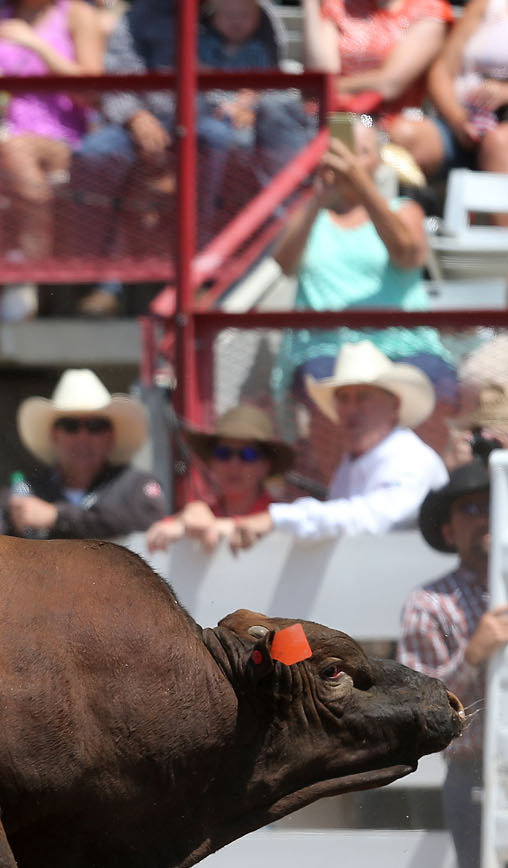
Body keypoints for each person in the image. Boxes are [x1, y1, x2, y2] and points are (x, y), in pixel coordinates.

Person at [69, 0, 309, 316]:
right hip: (141, 122)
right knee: (96, 155)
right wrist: (136, 117)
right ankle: (97, 278)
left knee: (222, 142)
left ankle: (204, 268)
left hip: (206, 122)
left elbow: (265, 77)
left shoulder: (246, 11)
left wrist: (245, 104)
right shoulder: (138, 16)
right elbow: (116, 75)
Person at [400, 458, 508, 868]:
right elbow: (425, 713)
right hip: (474, 776)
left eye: (490, 505)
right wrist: (474, 654)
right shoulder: (431, 603)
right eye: (470, 509)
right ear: (449, 525)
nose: (483, 519)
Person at [269, 115, 455, 424]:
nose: (349, 161)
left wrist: (363, 188)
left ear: (379, 163)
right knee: (327, 391)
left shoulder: (404, 210)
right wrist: (319, 199)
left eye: (362, 152)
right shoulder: (312, 217)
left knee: (436, 385)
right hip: (326, 349)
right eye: (342, 150)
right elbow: (283, 263)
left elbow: (407, 254)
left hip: (403, 346)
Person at [230, 339, 449, 550]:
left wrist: (277, 518)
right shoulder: (354, 461)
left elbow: (372, 521)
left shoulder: (412, 459)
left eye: (363, 397)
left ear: (395, 405)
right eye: (343, 399)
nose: (351, 409)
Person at [0, 0, 105, 319]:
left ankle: (25, 273)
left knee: (21, 161)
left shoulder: (77, 15)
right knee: (7, 154)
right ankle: (24, 272)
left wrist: (36, 45)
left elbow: (93, 92)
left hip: (61, 136)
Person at [0, 367, 168, 539]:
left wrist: (57, 517)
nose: (83, 437)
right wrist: (12, 521)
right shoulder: (25, 491)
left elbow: (148, 521)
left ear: (110, 437)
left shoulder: (136, 486)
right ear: (55, 437)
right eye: (70, 426)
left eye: (95, 426)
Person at [302, 0, 452, 177]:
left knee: (360, 137)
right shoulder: (338, 6)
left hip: (387, 123)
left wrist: (333, 87)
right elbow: (323, 72)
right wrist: (309, 4)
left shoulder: (428, 9)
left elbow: (389, 84)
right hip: (333, 116)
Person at [144, 403, 295, 552]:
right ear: (211, 462)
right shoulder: (201, 513)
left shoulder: (283, 517)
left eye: (248, 455)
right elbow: (156, 533)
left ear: (265, 466)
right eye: (223, 453)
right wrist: (182, 518)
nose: (234, 464)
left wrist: (197, 526)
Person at [425, 0, 508, 188]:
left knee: (499, 144)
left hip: (500, 132)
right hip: (464, 123)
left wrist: (504, 93)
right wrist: (458, 120)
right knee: (407, 136)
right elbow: (442, 71)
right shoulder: (484, 5)